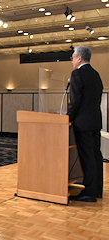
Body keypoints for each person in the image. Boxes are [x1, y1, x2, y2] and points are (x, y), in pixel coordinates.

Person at [68, 46, 103, 203]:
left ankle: (89, 192)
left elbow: (75, 101)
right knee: (96, 155)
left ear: (79, 58)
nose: (72, 60)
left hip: (82, 123)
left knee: (87, 157)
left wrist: (68, 118)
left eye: (73, 57)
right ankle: (97, 190)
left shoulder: (77, 74)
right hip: (96, 121)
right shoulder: (96, 74)